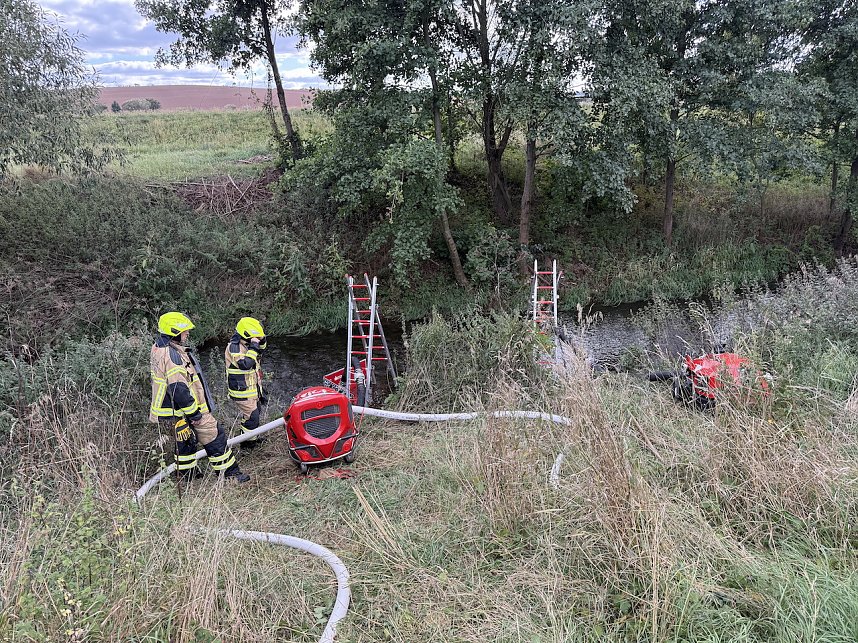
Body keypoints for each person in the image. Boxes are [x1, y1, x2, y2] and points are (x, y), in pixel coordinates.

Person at [149, 312, 250, 483]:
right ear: (174, 332)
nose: (188, 334)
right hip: (185, 410)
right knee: (214, 436)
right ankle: (230, 475)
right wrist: (195, 414)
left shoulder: (160, 348)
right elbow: (178, 389)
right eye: (185, 331)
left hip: (171, 412)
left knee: (185, 443)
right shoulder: (172, 355)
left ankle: (187, 476)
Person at [224, 317, 268, 445]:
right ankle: (247, 444)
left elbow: (262, 349)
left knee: (254, 414)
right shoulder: (234, 347)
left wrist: (261, 339)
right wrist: (254, 347)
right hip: (241, 391)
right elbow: (245, 364)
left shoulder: (246, 343)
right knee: (252, 416)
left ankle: (251, 438)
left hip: (252, 388)